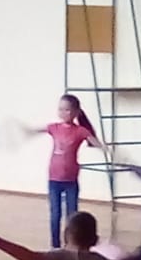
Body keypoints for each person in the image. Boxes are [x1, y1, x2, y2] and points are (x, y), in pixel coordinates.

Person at [29, 94, 106, 248]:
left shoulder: (80, 131)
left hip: (71, 180)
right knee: (55, 214)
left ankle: (71, 244)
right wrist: (25, 131)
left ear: (76, 112)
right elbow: (37, 130)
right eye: (61, 109)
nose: (63, 113)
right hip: (54, 179)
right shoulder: (54, 128)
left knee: (72, 215)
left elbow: (96, 143)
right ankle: (55, 246)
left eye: (67, 110)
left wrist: (107, 149)